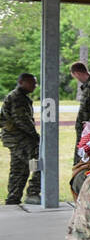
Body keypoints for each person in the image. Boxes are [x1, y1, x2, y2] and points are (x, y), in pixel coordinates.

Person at [1, 72, 40, 204]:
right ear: (22, 82)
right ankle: (33, 193)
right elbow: (21, 120)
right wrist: (35, 135)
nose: (35, 85)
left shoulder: (19, 96)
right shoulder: (18, 98)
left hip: (15, 139)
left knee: (19, 168)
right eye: (32, 83)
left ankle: (13, 198)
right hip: (19, 139)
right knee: (40, 161)